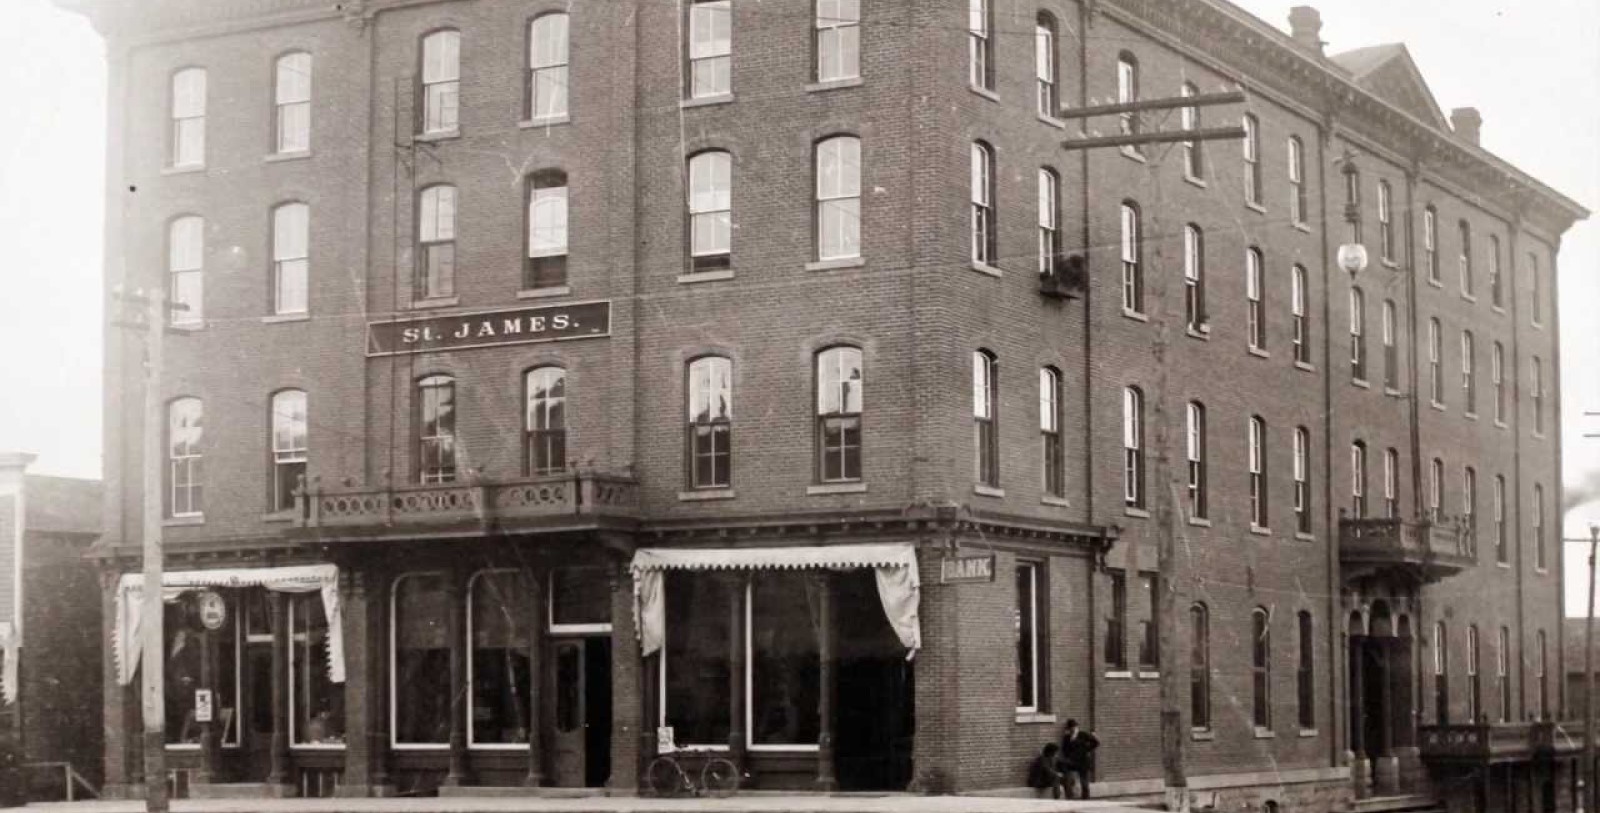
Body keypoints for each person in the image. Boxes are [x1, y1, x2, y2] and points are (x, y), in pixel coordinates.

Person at [1057, 719, 1100, 799]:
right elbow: (1064, 749)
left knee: (1084, 781)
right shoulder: (1067, 737)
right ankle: (1069, 796)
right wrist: (1068, 756)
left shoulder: (1083, 735)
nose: (1073, 730)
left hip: (1083, 761)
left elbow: (1096, 743)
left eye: (1074, 727)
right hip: (1072, 761)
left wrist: (1086, 749)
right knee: (1066, 775)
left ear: (1076, 727)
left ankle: (1085, 797)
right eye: (1071, 728)